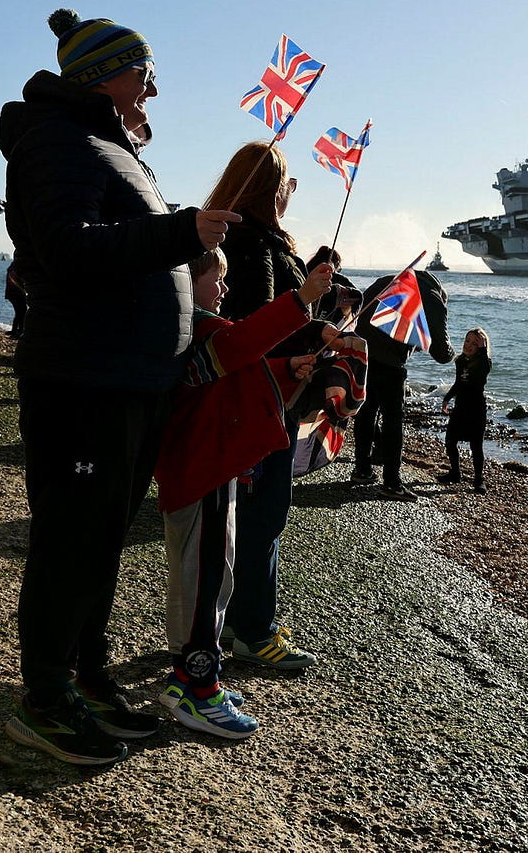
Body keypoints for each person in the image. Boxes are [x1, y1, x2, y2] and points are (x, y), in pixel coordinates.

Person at [0, 7, 240, 766]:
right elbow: (69, 249)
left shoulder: (107, 145)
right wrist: (181, 233)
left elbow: (120, 245)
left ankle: (87, 677)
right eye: (147, 75)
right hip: (82, 379)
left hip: (129, 380)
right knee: (71, 540)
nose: (155, 91)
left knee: (101, 542)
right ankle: (44, 698)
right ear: (104, 75)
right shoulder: (52, 138)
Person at [153, 248, 333, 738]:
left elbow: (237, 369)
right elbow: (241, 345)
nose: (226, 289)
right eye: (219, 278)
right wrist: (302, 300)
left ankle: (195, 669)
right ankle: (195, 686)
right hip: (204, 471)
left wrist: (286, 368)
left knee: (209, 574)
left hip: (209, 468)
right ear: (190, 281)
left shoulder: (199, 333)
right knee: (206, 578)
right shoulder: (196, 330)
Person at [208, 140, 334, 670]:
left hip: (254, 395)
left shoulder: (231, 234)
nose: (291, 195)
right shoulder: (256, 244)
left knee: (249, 516)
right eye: (288, 184)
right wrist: (305, 329)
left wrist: (318, 325)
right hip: (264, 400)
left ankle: (236, 621)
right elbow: (257, 322)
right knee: (264, 515)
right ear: (271, 189)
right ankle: (253, 630)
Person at [351, 270, 454, 500]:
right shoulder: (433, 297)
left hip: (364, 354)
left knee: (366, 413)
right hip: (390, 363)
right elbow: (441, 351)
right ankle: (392, 483)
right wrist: (455, 356)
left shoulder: (390, 280)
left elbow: (360, 311)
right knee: (392, 421)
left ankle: (362, 470)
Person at [439, 328, 493, 492]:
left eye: (474, 343)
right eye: (467, 341)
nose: (469, 345)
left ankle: (479, 480)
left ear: (481, 347)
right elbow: (457, 383)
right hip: (460, 406)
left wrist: (483, 349)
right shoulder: (460, 361)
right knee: (450, 441)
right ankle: (455, 472)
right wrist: (447, 399)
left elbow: (479, 379)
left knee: (476, 446)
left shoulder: (484, 363)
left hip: (476, 409)